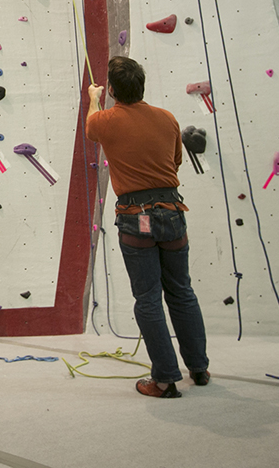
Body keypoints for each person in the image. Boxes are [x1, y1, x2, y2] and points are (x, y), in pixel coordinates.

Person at [84, 57, 210, 399]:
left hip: (136, 216)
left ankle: (165, 380)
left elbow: (91, 126)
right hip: (172, 212)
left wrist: (94, 98)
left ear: (112, 90)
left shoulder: (105, 120)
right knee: (182, 292)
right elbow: (175, 161)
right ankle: (199, 369)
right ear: (141, 86)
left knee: (148, 299)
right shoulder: (167, 118)